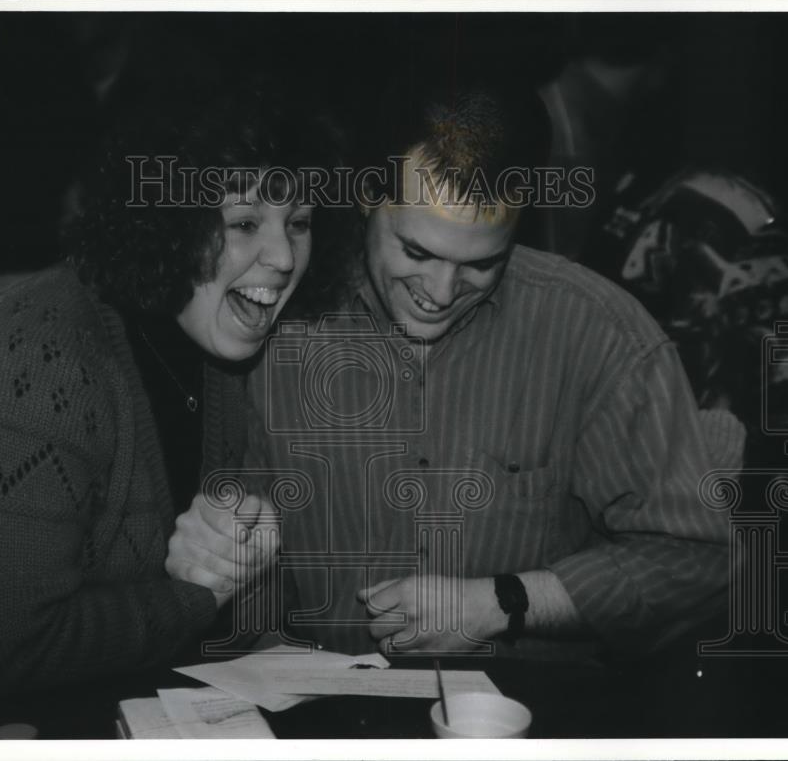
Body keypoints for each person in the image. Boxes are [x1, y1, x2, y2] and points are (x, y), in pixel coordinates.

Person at [0, 82, 348, 734]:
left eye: (300, 222)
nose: (284, 258)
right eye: (245, 222)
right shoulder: (33, 358)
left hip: (98, 702)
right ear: (165, 223)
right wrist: (202, 592)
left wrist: (242, 559)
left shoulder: (210, 342)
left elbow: (238, 611)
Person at [244, 83, 743, 659]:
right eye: (417, 252)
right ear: (366, 198)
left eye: (482, 263)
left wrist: (501, 604)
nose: (440, 292)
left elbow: (700, 561)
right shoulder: (278, 316)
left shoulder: (599, 334)